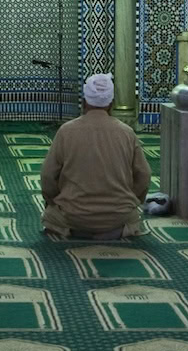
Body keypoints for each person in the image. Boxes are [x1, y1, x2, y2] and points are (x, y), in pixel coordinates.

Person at [41, 72, 150, 240]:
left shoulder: (66, 131)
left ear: (84, 102)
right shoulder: (127, 133)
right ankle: (117, 229)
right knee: (133, 215)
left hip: (74, 217)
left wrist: (54, 201)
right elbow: (144, 176)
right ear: (111, 104)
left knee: (50, 216)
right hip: (118, 219)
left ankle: (75, 229)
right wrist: (131, 201)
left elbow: (47, 177)